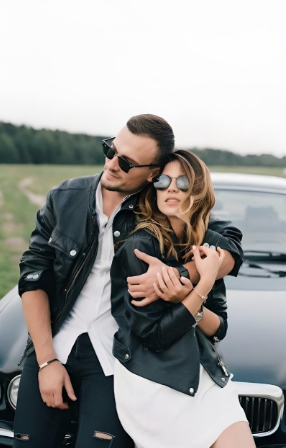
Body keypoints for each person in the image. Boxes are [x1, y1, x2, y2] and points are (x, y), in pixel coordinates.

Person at [15, 114, 244, 448]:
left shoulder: (160, 206)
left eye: (126, 162)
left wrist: (177, 276)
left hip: (117, 357)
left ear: (153, 173)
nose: (112, 164)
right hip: (55, 341)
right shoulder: (64, 197)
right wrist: (46, 360)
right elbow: (33, 275)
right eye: (111, 149)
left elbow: (228, 242)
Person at [111, 150, 256, 448]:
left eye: (183, 181)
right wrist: (199, 287)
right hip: (154, 380)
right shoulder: (139, 246)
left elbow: (219, 327)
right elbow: (155, 336)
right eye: (163, 180)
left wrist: (187, 294)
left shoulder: (207, 245)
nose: (171, 188)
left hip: (205, 375)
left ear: (199, 189)